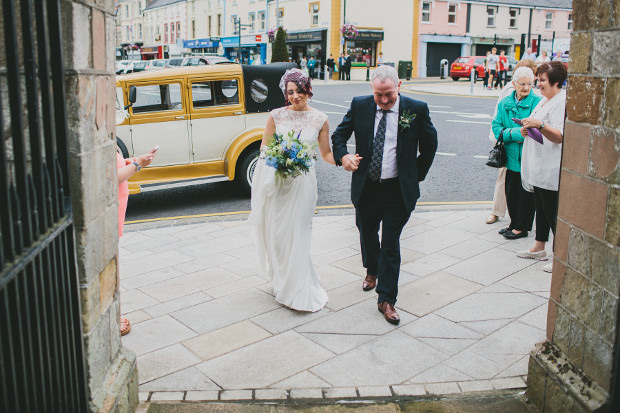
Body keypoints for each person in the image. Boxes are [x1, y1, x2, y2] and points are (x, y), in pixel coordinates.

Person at [331, 65, 438, 325]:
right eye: (380, 95)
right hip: (367, 186)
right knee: (366, 232)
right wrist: (343, 156)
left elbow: (430, 145)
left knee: (390, 242)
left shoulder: (416, 108)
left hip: (397, 190)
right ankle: (371, 269)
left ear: (399, 86)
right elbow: (338, 135)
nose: (385, 100)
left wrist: (415, 176)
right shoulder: (360, 105)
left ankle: (386, 299)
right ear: (372, 89)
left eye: (389, 94)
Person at [248, 68, 336, 312]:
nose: (295, 96)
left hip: (303, 184)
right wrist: (278, 159)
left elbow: (326, 154)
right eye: (290, 92)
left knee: (298, 233)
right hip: (278, 183)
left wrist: (344, 161)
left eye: (299, 91)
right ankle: (282, 280)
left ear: (308, 89)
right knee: (278, 235)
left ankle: (299, 288)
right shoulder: (276, 116)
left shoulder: (320, 119)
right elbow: (265, 150)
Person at [518, 61, 568, 273]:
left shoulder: (561, 101)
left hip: (550, 166)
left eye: (542, 80)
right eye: (538, 80)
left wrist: (539, 125)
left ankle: (560, 256)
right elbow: (539, 126)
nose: (538, 84)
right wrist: (528, 129)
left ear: (556, 81)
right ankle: (539, 246)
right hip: (538, 164)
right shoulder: (545, 100)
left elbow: (559, 136)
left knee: (551, 211)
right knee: (541, 206)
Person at [491, 67, 541, 240]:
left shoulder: (537, 101)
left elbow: (541, 130)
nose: (526, 88)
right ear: (513, 84)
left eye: (529, 84)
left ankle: (521, 228)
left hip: (529, 158)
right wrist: (515, 133)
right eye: (522, 84)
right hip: (510, 156)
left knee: (526, 195)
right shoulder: (504, 102)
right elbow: (496, 128)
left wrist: (524, 133)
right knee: (511, 192)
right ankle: (513, 223)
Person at [117, 147, 157, 335]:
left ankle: (112, 314)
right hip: (109, 213)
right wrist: (137, 164)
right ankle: (111, 317)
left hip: (115, 211)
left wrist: (131, 161)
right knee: (109, 270)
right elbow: (111, 176)